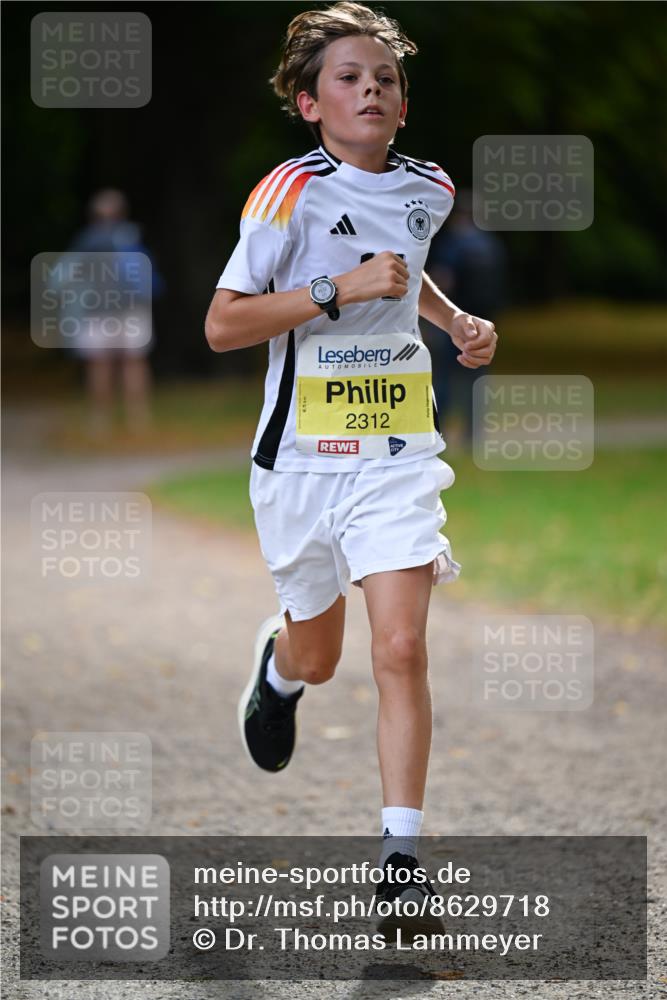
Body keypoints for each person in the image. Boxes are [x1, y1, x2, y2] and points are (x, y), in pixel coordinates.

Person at [205, 2, 497, 936]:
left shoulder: (431, 188)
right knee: (323, 656)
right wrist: (336, 288)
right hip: (297, 463)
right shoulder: (283, 194)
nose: (369, 89)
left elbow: (405, 269)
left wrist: (452, 323)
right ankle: (280, 670)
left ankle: (400, 863)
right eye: (348, 78)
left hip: (395, 453)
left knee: (401, 647)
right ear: (307, 102)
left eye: (385, 79)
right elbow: (222, 326)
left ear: (403, 107)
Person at [66, 189, 160, 436]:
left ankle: (115, 420)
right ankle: (129, 419)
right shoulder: (131, 237)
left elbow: (68, 276)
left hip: (107, 309)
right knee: (120, 363)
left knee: (114, 363)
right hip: (114, 309)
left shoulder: (88, 240)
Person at [421, 189, 508, 442]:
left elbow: (442, 279)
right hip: (483, 323)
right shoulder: (492, 245)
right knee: (476, 380)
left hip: (454, 325)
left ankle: (440, 432)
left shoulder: (454, 244)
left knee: (444, 380)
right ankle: (473, 436)